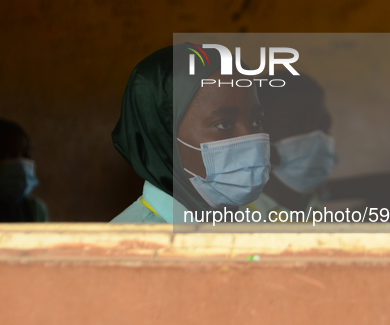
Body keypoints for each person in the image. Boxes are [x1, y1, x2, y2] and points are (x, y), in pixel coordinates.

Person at [110, 44, 270, 223]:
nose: (249, 139)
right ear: (163, 136)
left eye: (257, 121)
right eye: (224, 124)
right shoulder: (127, 247)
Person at [249, 71, 338, 215]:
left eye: (324, 127)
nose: (317, 139)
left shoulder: (317, 210)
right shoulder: (231, 220)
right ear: (256, 136)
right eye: (295, 127)